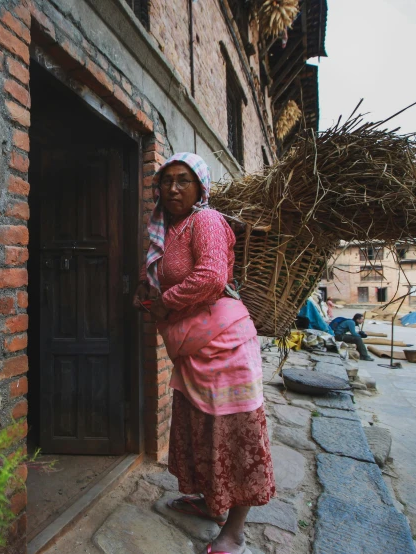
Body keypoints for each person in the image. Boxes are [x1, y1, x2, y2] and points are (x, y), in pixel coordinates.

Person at [133, 152, 275, 554]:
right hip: (194, 349)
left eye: (184, 180)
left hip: (225, 346)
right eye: (167, 181)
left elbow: (212, 277)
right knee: (200, 427)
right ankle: (210, 500)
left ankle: (235, 530)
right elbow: (166, 282)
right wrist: (147, 295)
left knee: (234, 433)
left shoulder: (206, 221)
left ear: (201, 188)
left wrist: (165, 303)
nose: (173, 188)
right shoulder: (168, 231)